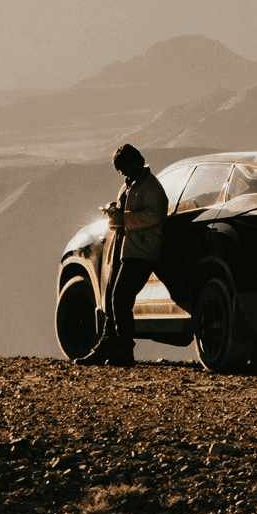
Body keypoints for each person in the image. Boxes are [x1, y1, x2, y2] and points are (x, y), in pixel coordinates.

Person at [96, 142, 169, 366]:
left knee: (121, 298)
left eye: (124, 168)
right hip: (124, 250)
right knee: (111, 297)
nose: (122, 173)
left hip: (142, 251)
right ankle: (109, 345)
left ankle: (125, 350)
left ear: (136, 161)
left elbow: (154, 216)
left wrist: (123, 218)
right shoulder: (129, 185)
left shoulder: (152, 187)